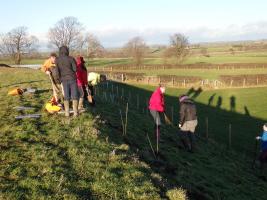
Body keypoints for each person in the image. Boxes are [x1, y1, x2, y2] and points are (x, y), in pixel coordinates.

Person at [55, 46, 79, 117]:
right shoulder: (71, 58)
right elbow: (75, 69)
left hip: (64, 80)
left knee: (66, 96)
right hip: (72, 79)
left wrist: (58, 80)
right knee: (74, 95)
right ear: (67, 51)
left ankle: (67, 113)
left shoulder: (57, 60)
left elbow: (57, 72)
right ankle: (75, 113)